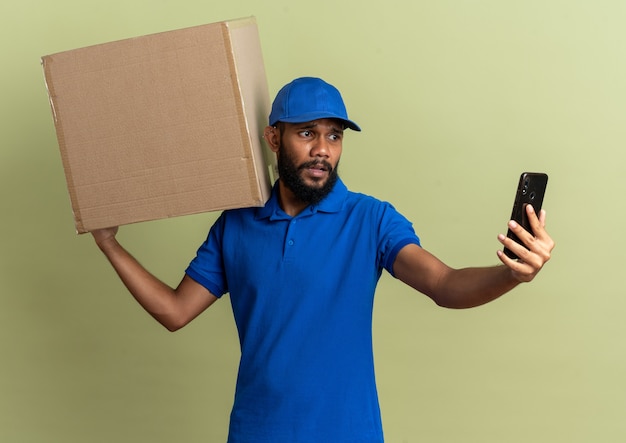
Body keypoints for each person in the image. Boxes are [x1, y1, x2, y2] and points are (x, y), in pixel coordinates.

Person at [91, 77, 554, 442]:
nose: (322, 150)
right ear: (274, 138)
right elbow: (175, 312)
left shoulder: (370, 219)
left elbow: (444, 284)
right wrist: (110, 244)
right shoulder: (236, 223)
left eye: (334, 136)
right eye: (307, 133)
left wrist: (511, 274)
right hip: (256, 434)